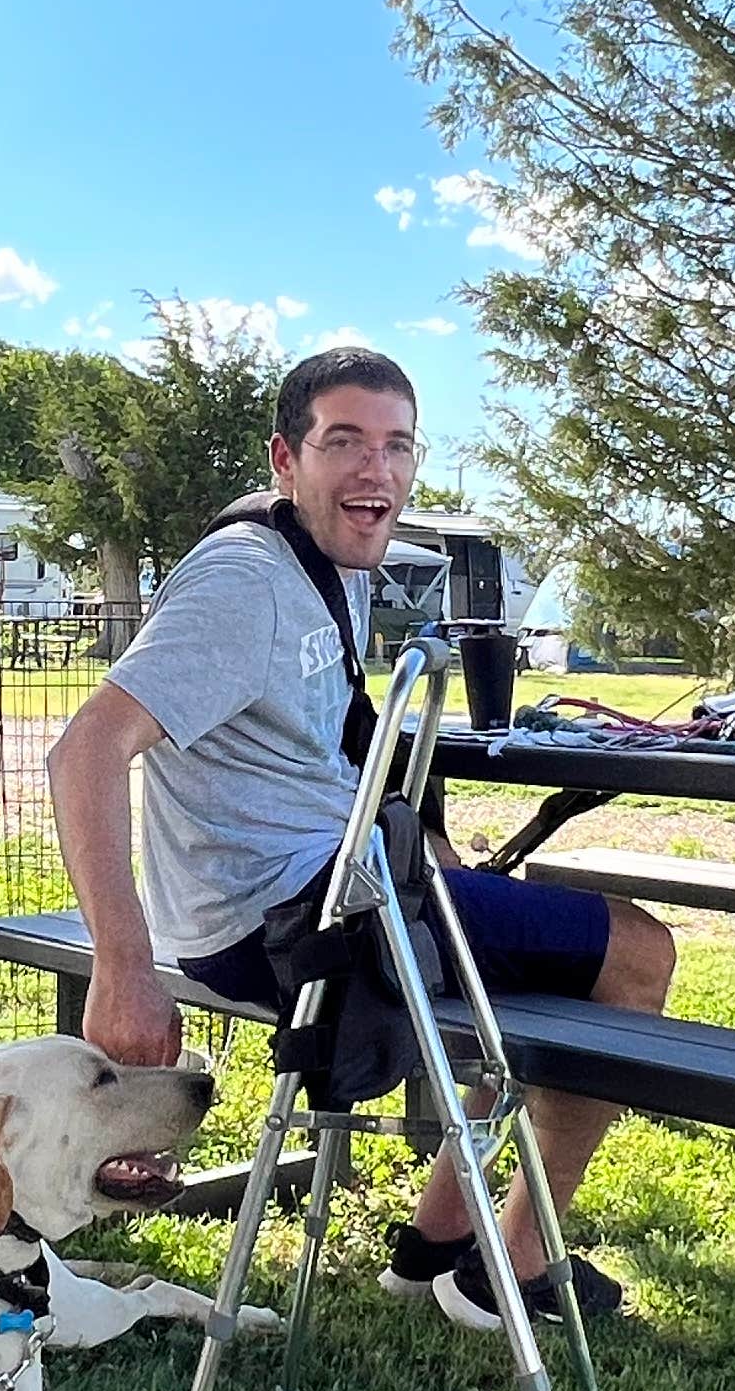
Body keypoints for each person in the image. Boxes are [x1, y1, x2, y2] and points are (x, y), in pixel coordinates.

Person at [42, 345, 675, 1334]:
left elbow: (342, 737)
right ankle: (512, 1266)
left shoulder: (323, 561)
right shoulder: (245, 582)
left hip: (320, 891)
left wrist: (429, 851)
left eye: (396, 446)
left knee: (537, 957)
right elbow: (84, 751)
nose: (375, 470)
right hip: (286, 924)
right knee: (637, 951)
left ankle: (434, 1249)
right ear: (285, 460)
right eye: (344, 442)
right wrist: (123, 968)